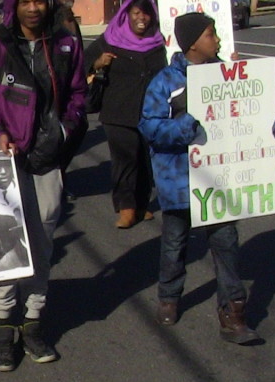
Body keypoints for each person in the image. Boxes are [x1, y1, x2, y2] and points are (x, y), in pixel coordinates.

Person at [0, 0, 86, 372]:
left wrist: (63, 130)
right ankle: (2, 327)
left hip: (46, 158)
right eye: (24, 0)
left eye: (40, 0)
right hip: (1, 158)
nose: (33, 8)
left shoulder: (66, 44)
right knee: (3, 242)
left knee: (42, 243)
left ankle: (32, 323)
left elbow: (78, 95)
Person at [138, 13, 275, 344]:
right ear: (191, 42)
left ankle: (233, 314)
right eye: (210, 34)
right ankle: (169, 297)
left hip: (221, 181)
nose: (217, 40)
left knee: (226, 243)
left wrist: (274, 125)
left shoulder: (229, 75)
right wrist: (184, 127)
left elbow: (252, 109)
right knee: (175, 243)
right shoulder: (166, 82)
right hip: (179, 180)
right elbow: (149, 127)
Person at [84, 0, 165, 229]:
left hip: (149, 110)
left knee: (143, 158)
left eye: (146, 13)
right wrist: (99, 63)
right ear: (126, 14)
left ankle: (141, 205)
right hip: (117, 109)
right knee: (125, 159)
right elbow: (82, 63)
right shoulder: (110, 38)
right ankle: (126, 208)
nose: (142, 18)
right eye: (136, 12)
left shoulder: (159, 41)